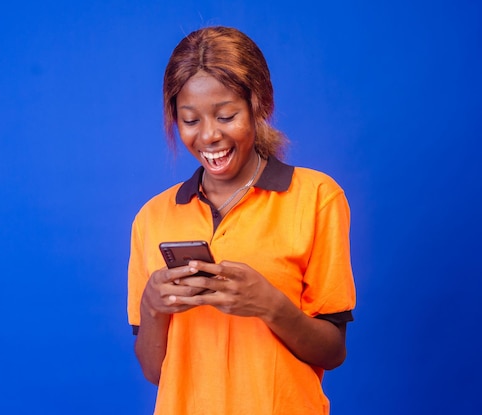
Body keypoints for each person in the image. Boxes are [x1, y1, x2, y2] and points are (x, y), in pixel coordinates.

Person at [127, 26, 356, 415]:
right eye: (190, 120)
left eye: (226, 115)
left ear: (259, 104)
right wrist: (152, 307)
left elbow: (332, 351)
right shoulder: (153, 217)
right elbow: (154, 371)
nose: (209, 135)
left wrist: (270, 305)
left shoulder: (316, 197)